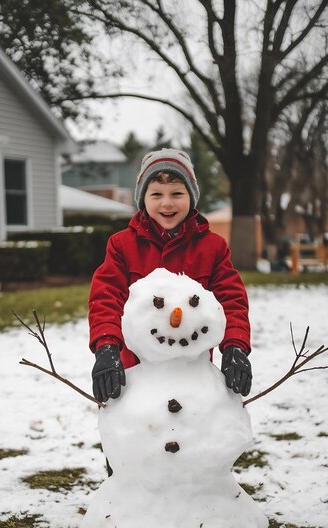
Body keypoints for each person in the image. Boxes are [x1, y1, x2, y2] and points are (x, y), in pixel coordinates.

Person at [89, 148, 252, 403]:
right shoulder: (122, 246)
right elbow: (106, 299)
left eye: (177, 193)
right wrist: (106, 346)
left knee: (194, 435)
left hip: (194, 375)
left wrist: (235, 346)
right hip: (136, 376)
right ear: (143, 198)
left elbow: (232, 301)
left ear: (192, 196)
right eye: (156, 194)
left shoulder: (213, 248)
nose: (167, 203)